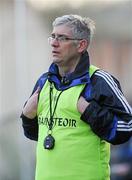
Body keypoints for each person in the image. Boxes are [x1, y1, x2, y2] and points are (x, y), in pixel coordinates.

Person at [21, 14, 132, 180]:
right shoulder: (44, 81)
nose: (54, 43)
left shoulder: (98, 80)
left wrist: (89, 112)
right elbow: (37, 134)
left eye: (62, 38)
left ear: (81, 45)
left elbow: (127, 127)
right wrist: (27, 117)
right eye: (53, 36)